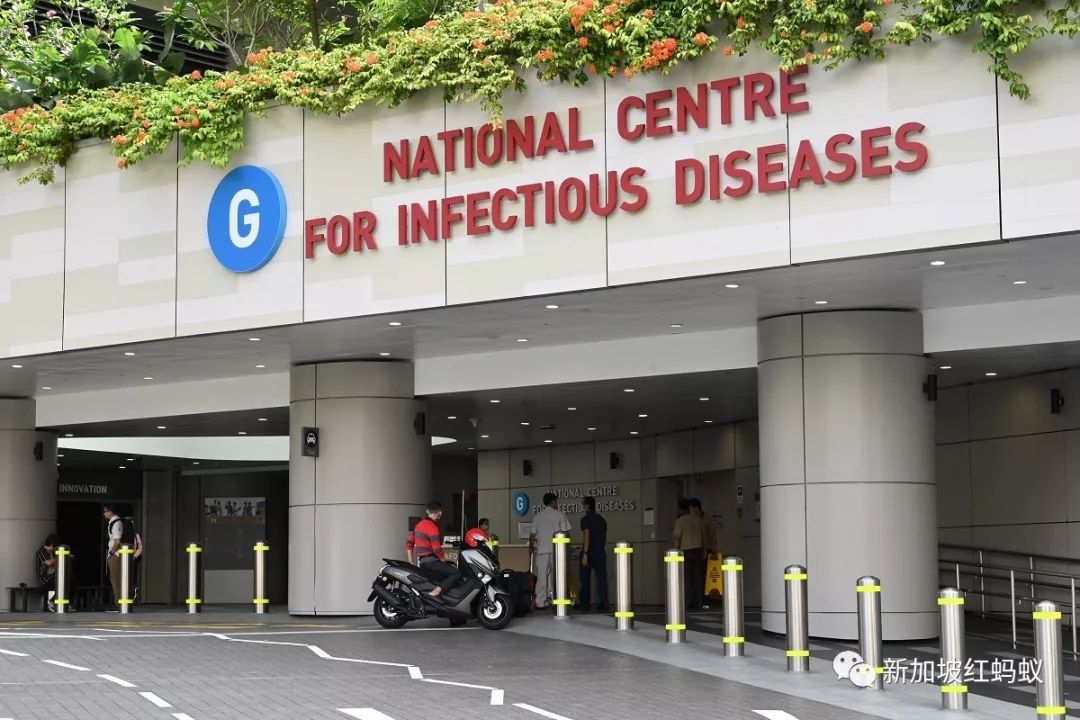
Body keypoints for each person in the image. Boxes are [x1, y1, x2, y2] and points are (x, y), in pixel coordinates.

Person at [405, 501, 461, 598]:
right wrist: (444, 561)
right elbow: (437, 549)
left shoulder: (419, 525)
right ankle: (436, 591)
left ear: (428, 511)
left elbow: (409, 543)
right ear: (439, 513)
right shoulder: (432, 527)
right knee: (456, 573)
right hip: (432, 563)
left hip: (423, 563)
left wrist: (410, 561)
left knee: (443, 577)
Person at [529, 493, 571, 610]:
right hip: (557, 550)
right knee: (557, 576)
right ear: (552, 501)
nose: (557, 503)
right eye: (556, 501)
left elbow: (532, 535)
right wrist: (568, 548)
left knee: (542, 577)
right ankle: (556, 600)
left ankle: (540, 602)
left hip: (542, 550)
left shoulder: (538, 516)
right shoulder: (559, 514)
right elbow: (566, 533)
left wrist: (530, 547)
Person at [673, 497, 707, 612]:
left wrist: (675, 551)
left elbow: (677, 538)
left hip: (685, 551)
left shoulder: (680, 521)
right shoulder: (699, 520)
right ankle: (699, 601)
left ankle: (688, 602)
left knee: (686, 577)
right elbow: (704, 537)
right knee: (698, 577)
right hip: (698, 550)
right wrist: (704, 550)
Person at [577, 496, 608, 612]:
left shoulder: (585, 519)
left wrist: (585, 553)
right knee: (601, 578)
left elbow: (587, 534)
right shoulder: (601, 519)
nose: (582, 507)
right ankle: (602, 603)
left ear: (587, 505)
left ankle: (585, 603)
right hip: (600, 552)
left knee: (584, 578)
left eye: (583, 504)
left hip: (589, 552)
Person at [103, 504, 136, 610]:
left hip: (116, 555)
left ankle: (119, 604)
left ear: (110, 512)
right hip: (121, 555)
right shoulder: (116, 522)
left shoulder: (115, 523)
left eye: (105, 511)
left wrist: (111, 552)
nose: (104, 514)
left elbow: (117, 541)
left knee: (116, 579)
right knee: (119, 579)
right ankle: (123, 603)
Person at [35, 535, 58, 612]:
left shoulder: (53, 553)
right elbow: (49, 563)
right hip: (46, 579)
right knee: (59, 582)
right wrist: (61, 557)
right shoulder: (41, 552)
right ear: (51, 545)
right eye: (55, 546)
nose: (56, 548)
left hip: (53, 576)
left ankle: (67, 603)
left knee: (69, 579)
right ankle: (51, 601)